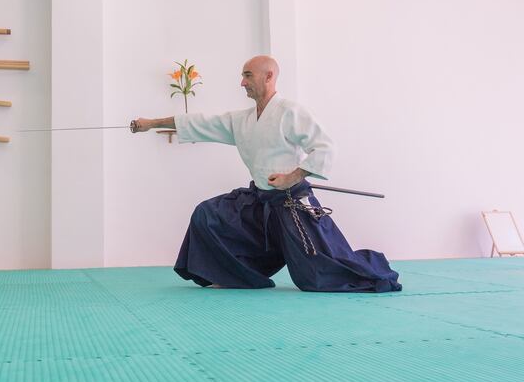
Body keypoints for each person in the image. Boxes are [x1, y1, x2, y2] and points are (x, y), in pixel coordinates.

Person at [133, 55, 401, 292]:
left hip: (290, 202)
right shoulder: (242, 120)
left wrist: (292, 176)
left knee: (316, 278)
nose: (242, 82)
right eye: (242, 76)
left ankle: (370, 266)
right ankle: (234, 276)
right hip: (259, 201)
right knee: (209, 215)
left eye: (247, 75)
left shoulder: (291, 112)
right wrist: (150, 124)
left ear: (269, 76)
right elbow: (199, 122)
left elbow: (325, 148)